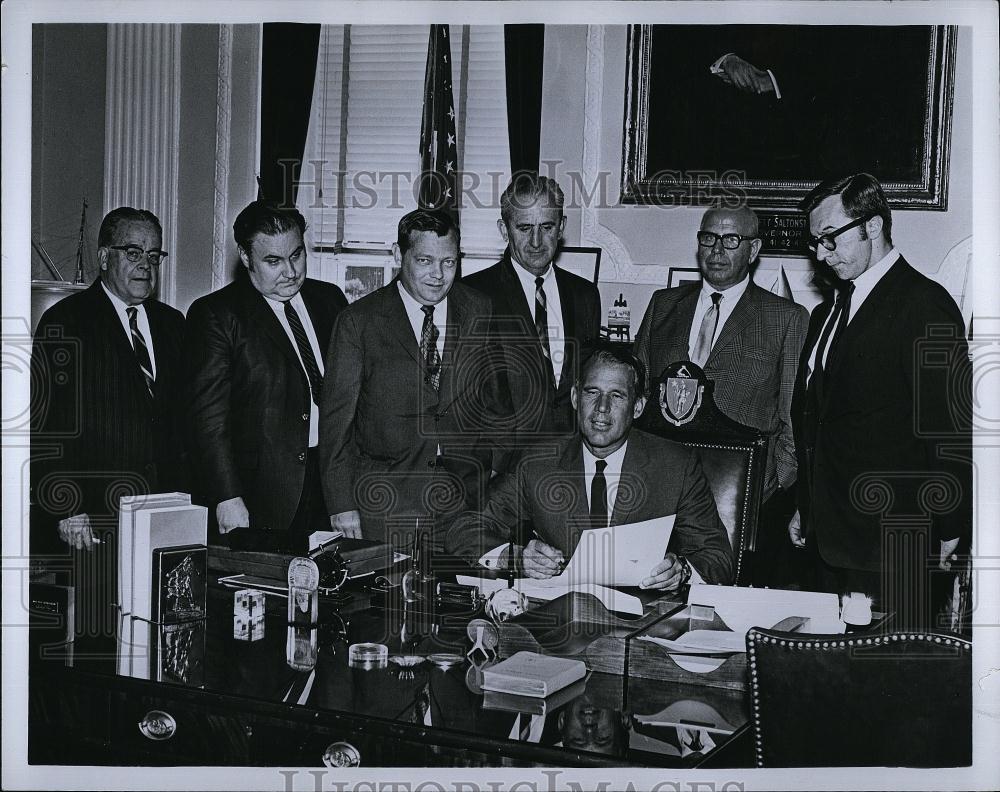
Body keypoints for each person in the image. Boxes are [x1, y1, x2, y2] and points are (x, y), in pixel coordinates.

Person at [791, 173, 971, 628]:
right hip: (829, 541)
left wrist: (950, 527)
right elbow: (819, 418)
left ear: (872, 226)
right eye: (815, 244)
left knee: (885, 688)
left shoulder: (924, 304)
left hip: (895, 544)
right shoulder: (827, 311)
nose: (821, 255)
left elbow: (949, 430)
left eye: (830, 239)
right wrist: (806, 505)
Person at [445, 347, 732, 588]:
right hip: (561, 618)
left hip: (642, 619)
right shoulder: (539, 463)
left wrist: (680, 571)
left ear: (638, 407)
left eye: (617, 396)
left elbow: (717, 557)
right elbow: (465, 530)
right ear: (574, 398)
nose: (602, 408)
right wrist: (515, 558)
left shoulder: (676, 465)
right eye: (592, 392)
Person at [31, 206, 186, 637]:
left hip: (163, 515)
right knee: (97, 642)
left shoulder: (174, 326)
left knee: (159, 635)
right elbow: (45, 426)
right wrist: (67, 507)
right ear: (103, 258)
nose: (145, 264)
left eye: (154, 255)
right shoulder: (67, 320)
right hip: (94, 518)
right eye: (133, 251)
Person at [320, 209, 515, 551]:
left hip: (466, 504)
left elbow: (498, 403)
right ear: (398, 255)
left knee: (464, 600)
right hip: (384, 505)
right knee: (389, 601)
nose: (438, 275)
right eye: (425, 260)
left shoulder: (480, 310)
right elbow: (337, 424)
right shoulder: (358, 322)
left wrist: (496, 478)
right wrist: (341, 504)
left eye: (449, 262)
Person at [184, 201, 348, 549]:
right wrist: (227, 497)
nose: (290, 271)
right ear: (246, 257)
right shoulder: (217, 315)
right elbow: (207, 420)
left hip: (328, 484)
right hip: (261, 493)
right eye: (273, 261)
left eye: (297, 256)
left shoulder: (329, 300)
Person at [635, 205, 807, 508]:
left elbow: (794, 415)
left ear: (753, 250)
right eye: (708, 238)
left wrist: (776, 481)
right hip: (660, 484)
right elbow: (637, 394)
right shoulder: (663, 305)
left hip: (742, 489)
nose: (716, 250)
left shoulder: (785, 318)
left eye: (730, 240)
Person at [462, 173, 601, 439]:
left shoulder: (585, 295)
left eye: (547, 227)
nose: (536, 241)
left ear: (561, 228)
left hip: (570, 460)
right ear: (504, 230)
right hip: (502, 469)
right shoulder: (472, 294)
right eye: (524, 228)